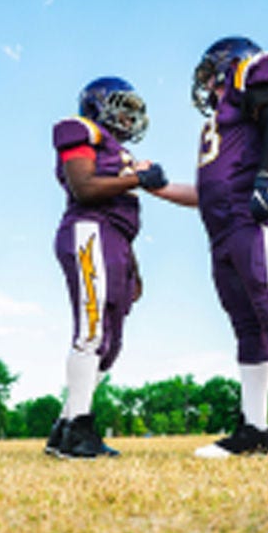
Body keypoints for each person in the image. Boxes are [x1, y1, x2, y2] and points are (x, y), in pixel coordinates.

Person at [150, 36, 268, 461]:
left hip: (260, 213)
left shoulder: (255, 71)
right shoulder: (222, 123)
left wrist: (266, 178)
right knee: (248, 324)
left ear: (228, 64)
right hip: (224, 226)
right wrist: (158, 188)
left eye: (210, 76)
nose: (209, 88)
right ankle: (254, 430)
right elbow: (207, 190)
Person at [44, 77, 167, 459]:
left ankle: (65, 428)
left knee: (110, 343)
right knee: (93, 331)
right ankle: (79, 430)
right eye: (122, 106)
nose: (129, 116)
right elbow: (83, 187)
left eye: (134, 110)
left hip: (114, 240)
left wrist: (133, 265)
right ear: (97, 105)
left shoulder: (119, 150)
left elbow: (121, 212)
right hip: (88, 230)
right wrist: (138, 178)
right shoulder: (80, 129)